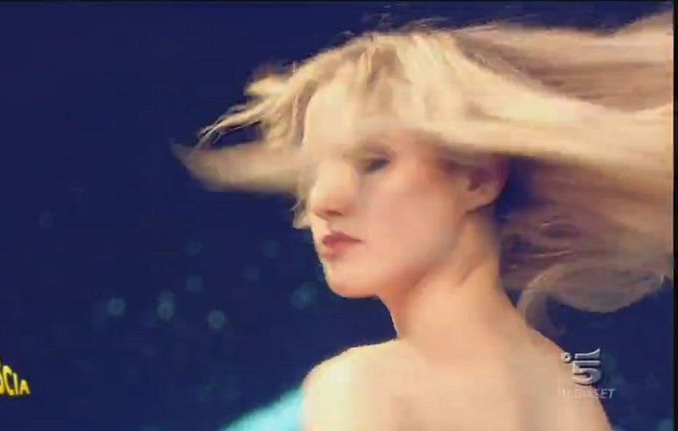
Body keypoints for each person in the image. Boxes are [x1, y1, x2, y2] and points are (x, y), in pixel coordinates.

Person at [174, 9, 673, 430]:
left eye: (375, 161)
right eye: (311, 176)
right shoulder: (570, 392)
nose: (323, 202)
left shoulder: (363, 386)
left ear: (478, 177)